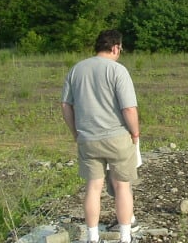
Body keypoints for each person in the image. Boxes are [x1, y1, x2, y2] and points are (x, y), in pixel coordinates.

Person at [61, 29, 140, 243]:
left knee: (93, 188)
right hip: (117, 137)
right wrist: (135, 132)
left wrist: (75, 132)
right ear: (115, 47)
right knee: (122, 186)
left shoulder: (76, 70)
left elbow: (66, 105)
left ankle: (92, 237)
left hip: (87, 138)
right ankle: (125, 236)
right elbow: (129, 109)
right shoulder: (117, 70)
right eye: (120, 49)